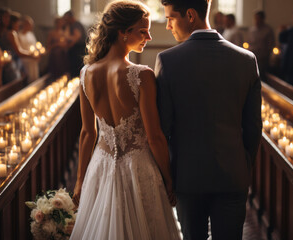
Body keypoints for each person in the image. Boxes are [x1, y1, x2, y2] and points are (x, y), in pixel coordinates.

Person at [70, 1, 180, 239]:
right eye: (143, 31)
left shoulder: (85, 73)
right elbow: (155, 137)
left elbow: (87, 133)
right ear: (123, 32)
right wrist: (169, 178)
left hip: (100, 166)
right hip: (138, 168)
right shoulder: (141, 75)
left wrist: (80, 181)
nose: (149, 37)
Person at [156, 0, 262, 239]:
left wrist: (169, 175)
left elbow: (163, 128)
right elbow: (254, 127)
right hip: (233, 174)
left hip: (187, 176)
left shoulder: (167, 61)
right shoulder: (246, 59)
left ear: (190, 15)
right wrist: (243, 165)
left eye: (170, 18)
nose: (168, 26)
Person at [248, 10, 274, 81]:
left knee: (261, 78)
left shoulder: (268, 30)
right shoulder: (252, 29)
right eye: (255, 18)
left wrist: (264, 56)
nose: (256, 20)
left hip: (262, 60)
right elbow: (249, 43)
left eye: (258, 18)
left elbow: (270, 46)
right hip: (252, 58)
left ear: (262, 19)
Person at [63, 10, 86, 77]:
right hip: (76, 50)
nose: (65, 21)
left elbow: (76, 37)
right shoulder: (71, 25)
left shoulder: (76, 24)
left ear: (70, 17)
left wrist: (69, 45)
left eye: (66, 19)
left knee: (77, 69)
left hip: (78, 50)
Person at [18, 15, 39, 82]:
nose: (32, 26)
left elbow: (35, 46)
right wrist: (30, 55)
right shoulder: (19, 35)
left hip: (33, 60)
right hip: (25, 61)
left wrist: (37, 53)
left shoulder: (31, 34)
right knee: (28, 79)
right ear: (24, 24)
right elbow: (20, 49)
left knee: (34, 78)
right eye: (30, 24)